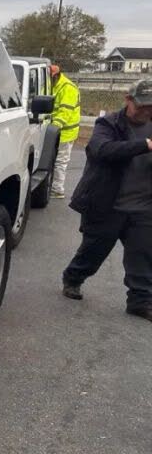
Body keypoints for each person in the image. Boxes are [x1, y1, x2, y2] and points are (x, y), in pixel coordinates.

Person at [62, 79, 152, 320]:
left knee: (143, 254)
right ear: (128, 100)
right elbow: (101, 150)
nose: (146, 111)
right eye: (142, 106)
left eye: (151, 107)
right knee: (94, 250)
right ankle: (73, 278)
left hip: (143, 206)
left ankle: (140, 301)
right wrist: (144, 145)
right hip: (107, 203)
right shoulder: (109, 123)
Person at [49, 63, 81, 198]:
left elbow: (65, 112)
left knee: (60, 161)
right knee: (52, 160)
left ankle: (57, 190)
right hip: (54, 131)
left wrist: (53, 127)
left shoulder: (68, 88)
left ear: (56, 75)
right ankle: (52, 186)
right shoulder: (52, 85)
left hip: (65, 132)